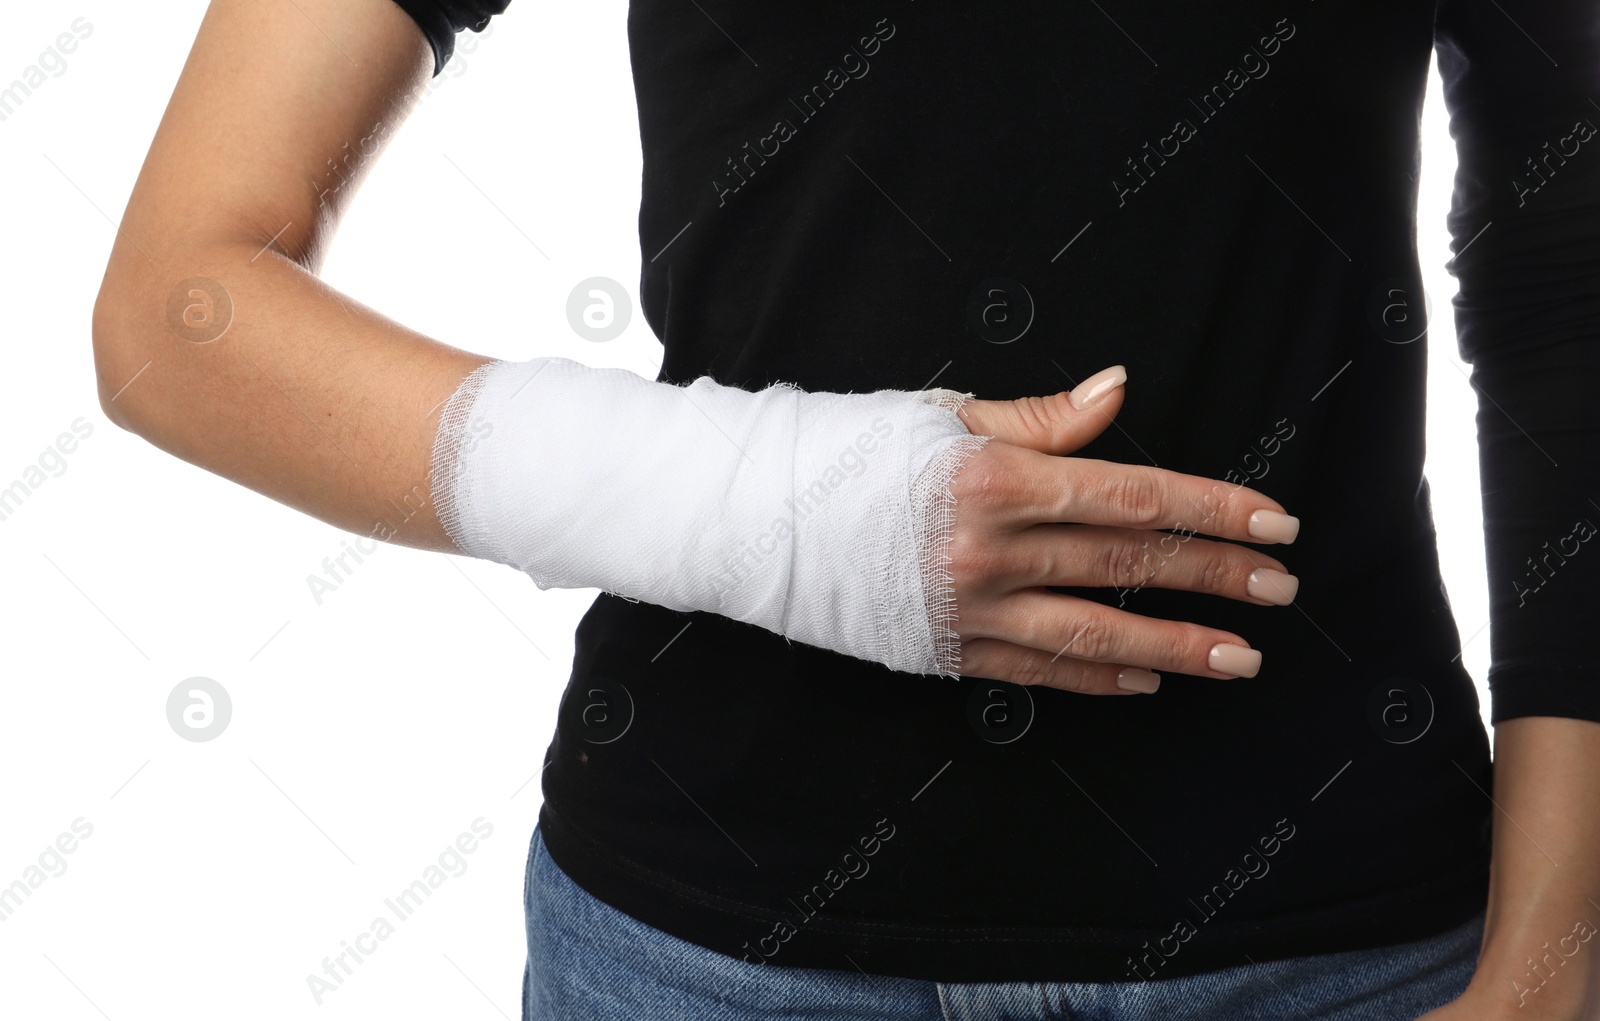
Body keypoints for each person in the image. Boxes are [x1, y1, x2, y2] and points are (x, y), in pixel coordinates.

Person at [91, 0, 1600, 1018]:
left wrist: (1551, 962)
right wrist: (819, 513)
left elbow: (1568, 286)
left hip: (1333, 938)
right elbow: (178, 309)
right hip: (710, 948)